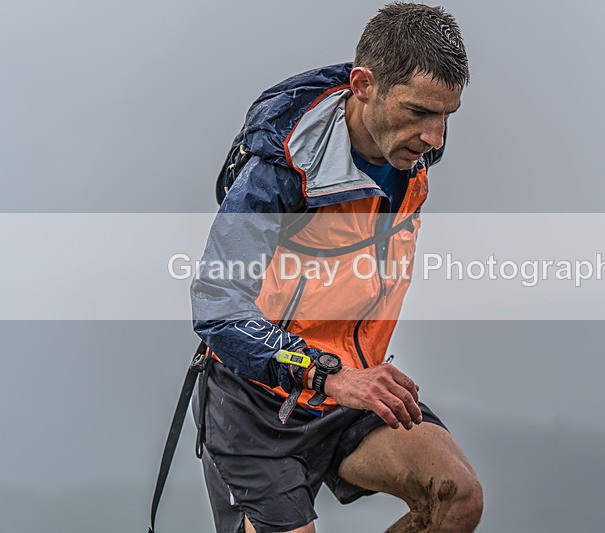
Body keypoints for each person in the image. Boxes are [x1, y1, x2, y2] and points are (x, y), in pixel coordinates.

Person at [190, 3, 482, 532]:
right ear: (363, 85)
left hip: (349, 388)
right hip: (258, 403)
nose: (435, 137)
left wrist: (344, 379)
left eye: (446, 116)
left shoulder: (411, 148)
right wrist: (328, 375)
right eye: (419, 112)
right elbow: (217, 303)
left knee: (456, 498)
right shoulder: (278, 169)